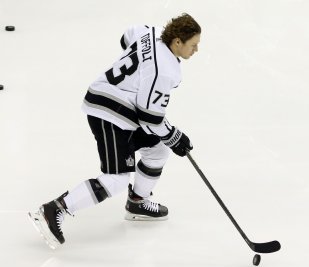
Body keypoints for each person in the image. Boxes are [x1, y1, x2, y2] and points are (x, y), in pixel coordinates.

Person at [28, 13, 201, 249]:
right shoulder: (167, 71)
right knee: (117, 179)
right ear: (178, 41)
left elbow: (127, 35)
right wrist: (174, 136)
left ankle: (138, 201)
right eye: (193, 45)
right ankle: (53, 210)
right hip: (109, 113)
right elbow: (150, 118)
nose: (196, 50)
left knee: (157, 148)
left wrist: (138, 74)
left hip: (119, 106)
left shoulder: (152, 32)